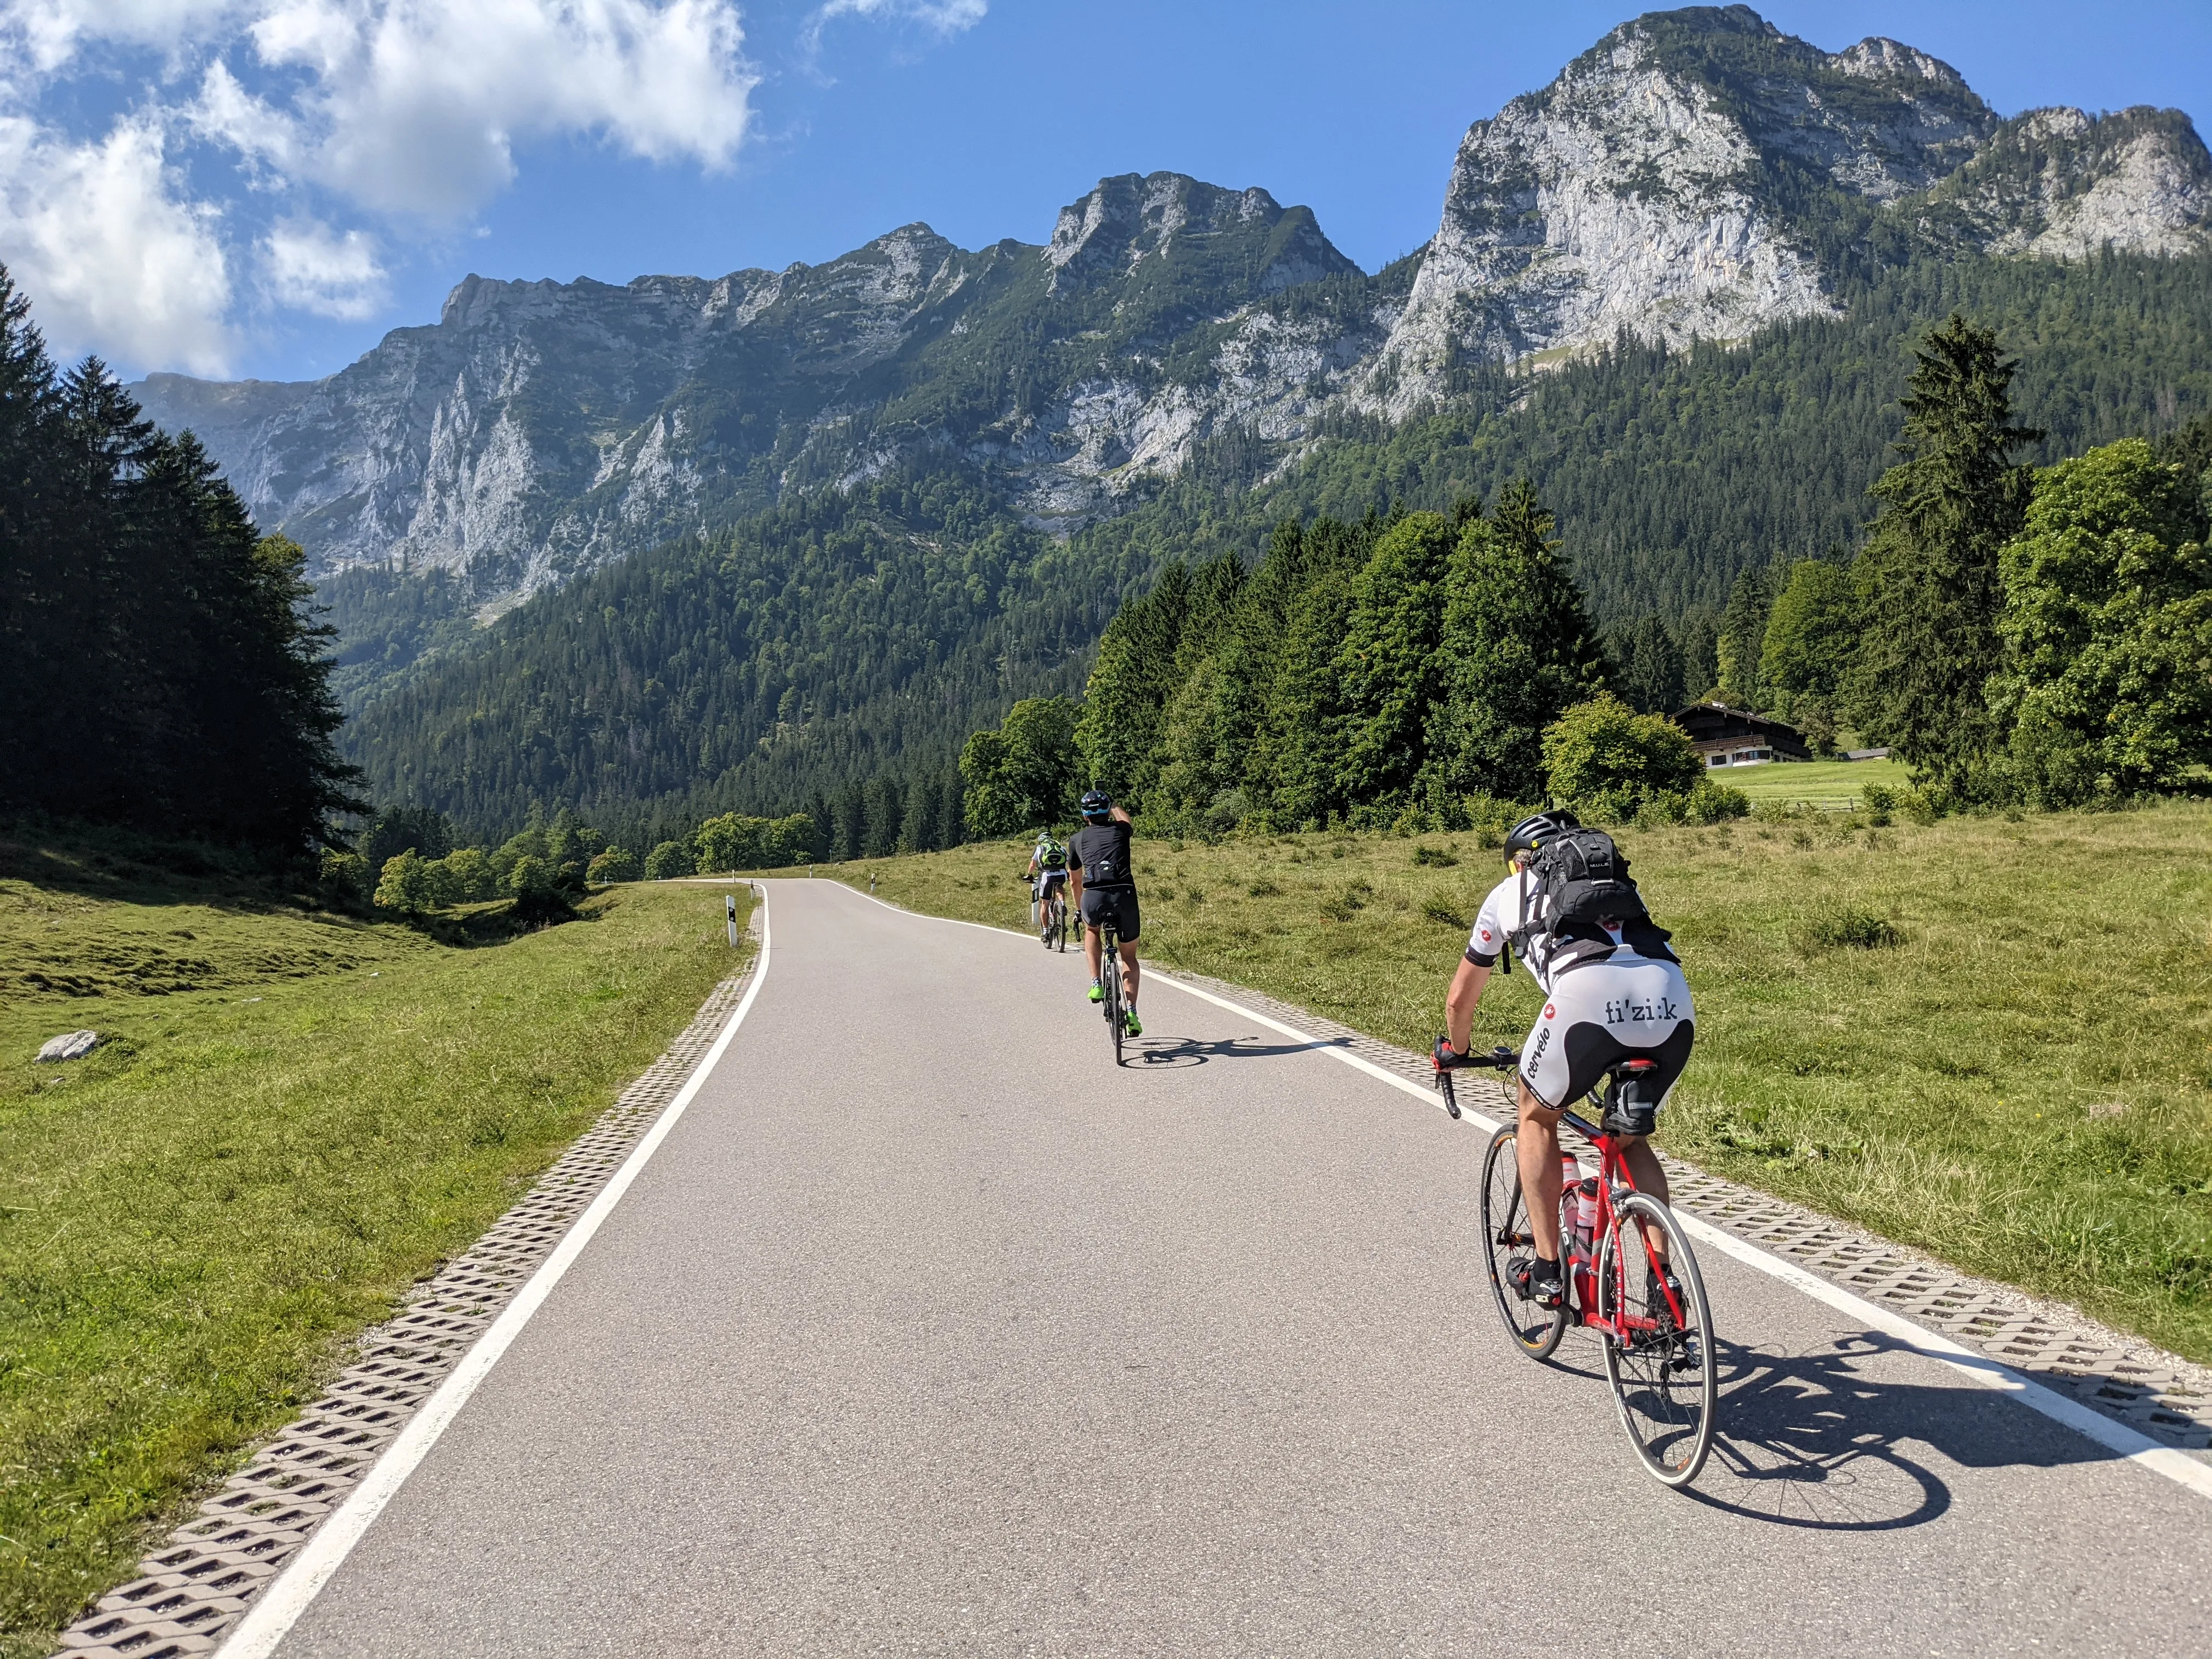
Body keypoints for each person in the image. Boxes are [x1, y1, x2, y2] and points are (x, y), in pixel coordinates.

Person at [1436, 809, 1694, 1310]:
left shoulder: (1508, 893)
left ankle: (1549, 1270)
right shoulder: (1619, 888)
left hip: (1587, 998)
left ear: (1519, 862)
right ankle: (1665, 1285)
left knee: (1535, 1118)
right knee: (1629, 1136)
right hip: (1670, 999)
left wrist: (1456, 1050)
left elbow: (1459, 1001)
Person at [1066, 789, 1141, 1036]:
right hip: (1124, 896)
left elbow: (1075, 881)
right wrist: (1114, 804)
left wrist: (1080, 910)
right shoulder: (1120, 831)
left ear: (1084, 815)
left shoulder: (1076, 839)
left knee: (1092, 930)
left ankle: (1096, 982)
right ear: (1108, 811)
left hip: (1094, 896)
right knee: (1129, 958)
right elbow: (1125, 820)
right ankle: (1131, 1011)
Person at [1025, 830, 1069, 938]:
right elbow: (1071, 862)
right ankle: (1062, 904)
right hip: (1062, 874)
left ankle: (1045, 932)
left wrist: (1029, 875)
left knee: (1045, 903)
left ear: (1041, 840)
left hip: (1047, 875)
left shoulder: (1040, 848)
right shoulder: (1060, 847)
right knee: (1059, 886)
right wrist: (1068, 874)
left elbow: (1033, 864)